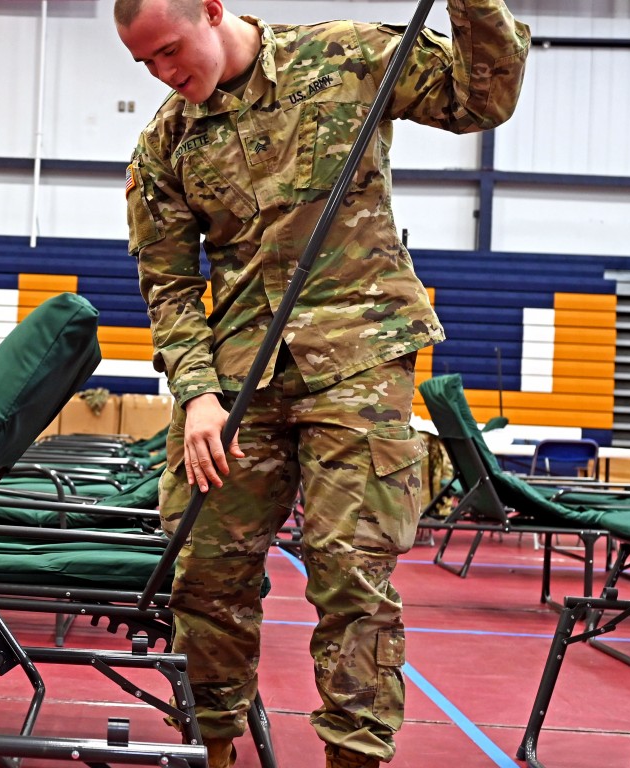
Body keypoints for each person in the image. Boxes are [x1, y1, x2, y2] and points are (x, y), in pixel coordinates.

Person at [114, 1, 529, 766]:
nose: (167, 74)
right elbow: (168, 285)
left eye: (171, 51)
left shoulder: (347, 55)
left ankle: (355, 759)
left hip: (359, 360)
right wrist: (198, 392)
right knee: (204, 576)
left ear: (211, 10)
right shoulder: (163, 145)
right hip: (237, 383)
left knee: (352, 580)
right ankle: (213, 751)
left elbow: (482, 99)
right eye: (147, 65)